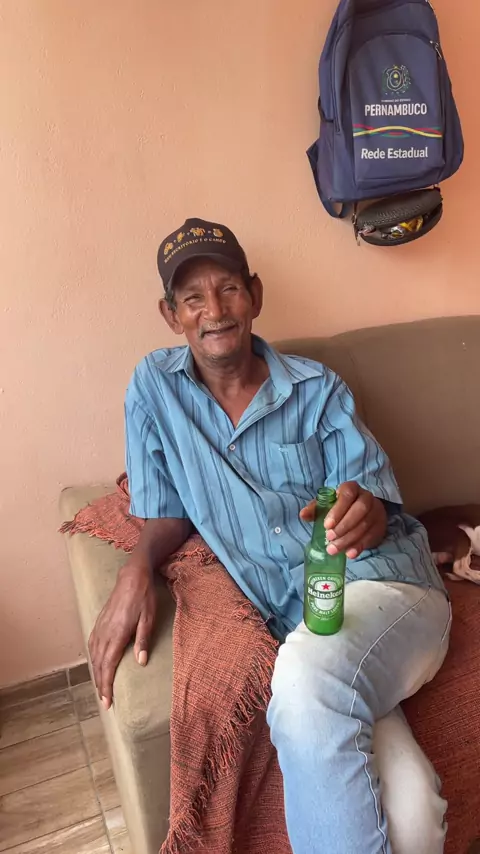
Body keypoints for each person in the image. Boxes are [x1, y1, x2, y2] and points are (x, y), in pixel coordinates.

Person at [89, 218, 451, 854]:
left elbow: (369, 502)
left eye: (228, 288)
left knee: (303, 679)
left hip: (388, 590)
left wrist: (362, 509)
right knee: (414, 813)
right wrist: (137, 567)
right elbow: (163, 508)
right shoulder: (154, 389)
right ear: (171, 315)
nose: (214, 311)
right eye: (193, 298)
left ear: (254, 294)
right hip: (310, 626)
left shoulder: (317, 389)